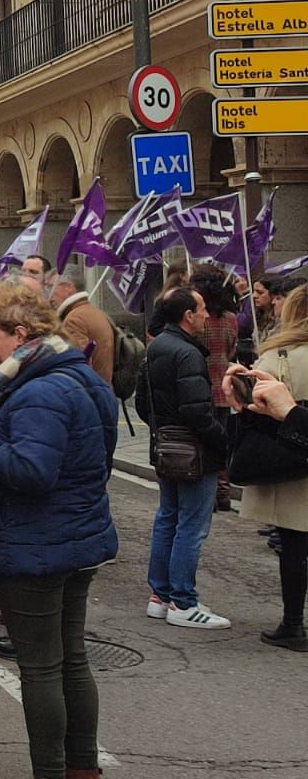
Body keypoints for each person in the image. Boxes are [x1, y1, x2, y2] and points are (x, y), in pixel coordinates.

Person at [0, 283, 118, 779]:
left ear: (21, 336)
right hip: (76, 536)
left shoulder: (40, 391)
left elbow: (31, 471)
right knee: (71, 660)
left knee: (44, 667)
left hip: (35, 544)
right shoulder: (78, 376)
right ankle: (85, 778)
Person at [143, 287, 231, 629]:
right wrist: (221, 442)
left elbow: (143, 403)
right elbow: (198, 411)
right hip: (194, 452)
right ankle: (183, 601)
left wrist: (163, 430)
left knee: (168, 518)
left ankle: (160, 596)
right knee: (191, 526)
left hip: (166, 447)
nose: (207, 315)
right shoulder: (187, 353)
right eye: (202, 309)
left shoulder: (156, 348)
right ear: (188, 316)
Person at [231, 285, 308, 650]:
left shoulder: (277, 358)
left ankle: (293, 623)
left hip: (292, 464)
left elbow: (248, 407)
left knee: (293, 545)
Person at [192, 263, 241, 512]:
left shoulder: (197, 319)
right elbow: (231, 349)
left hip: (200, 385)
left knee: (202, 442)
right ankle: (223, 492)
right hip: (223, 386)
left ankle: (208, 495)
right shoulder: (230, 319)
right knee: (221, 441)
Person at [50, 266, 115, 387]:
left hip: (89, 394)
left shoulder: (74, 319)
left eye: (52, 286)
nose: (49, 294)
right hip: (102, 391)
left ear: (69, 287)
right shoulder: (96, 313)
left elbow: (79, 367)